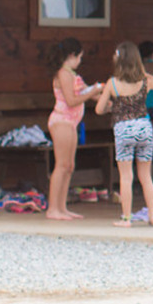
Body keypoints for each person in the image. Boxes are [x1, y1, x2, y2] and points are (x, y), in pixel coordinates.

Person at [95, 41, 153, 226]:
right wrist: (145, 74)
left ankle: (127, 218)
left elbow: (98, 109)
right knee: (146, 176)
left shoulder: (112, 83)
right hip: (144, 128)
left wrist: (110, 107)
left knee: (126, 176)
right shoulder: (145, 82)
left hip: (123, 129)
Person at [43, 37, 101, 220]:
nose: (80, 61)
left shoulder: (74, 76)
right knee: (61, 165)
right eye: (80, 57)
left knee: (69, 165)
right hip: (61, 121)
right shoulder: (64, 74)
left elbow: (89, 94)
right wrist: (92, 91)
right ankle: (52, 208)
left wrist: (104, 91)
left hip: (71, 123)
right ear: (72, 55)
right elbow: (71, 100)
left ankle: (62, 207)